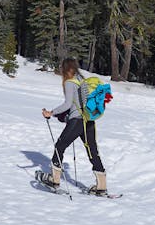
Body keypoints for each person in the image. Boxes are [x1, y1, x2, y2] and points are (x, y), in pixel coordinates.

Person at [38, 57, 107, 196]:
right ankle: (101, 186)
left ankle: (54, 179)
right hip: (89, 120)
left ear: (65, 69)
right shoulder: (82, 80)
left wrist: (51, 112)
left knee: (60, 146)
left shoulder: (70, 82)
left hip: (77, 121)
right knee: (92, 151)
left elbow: (68, 104)